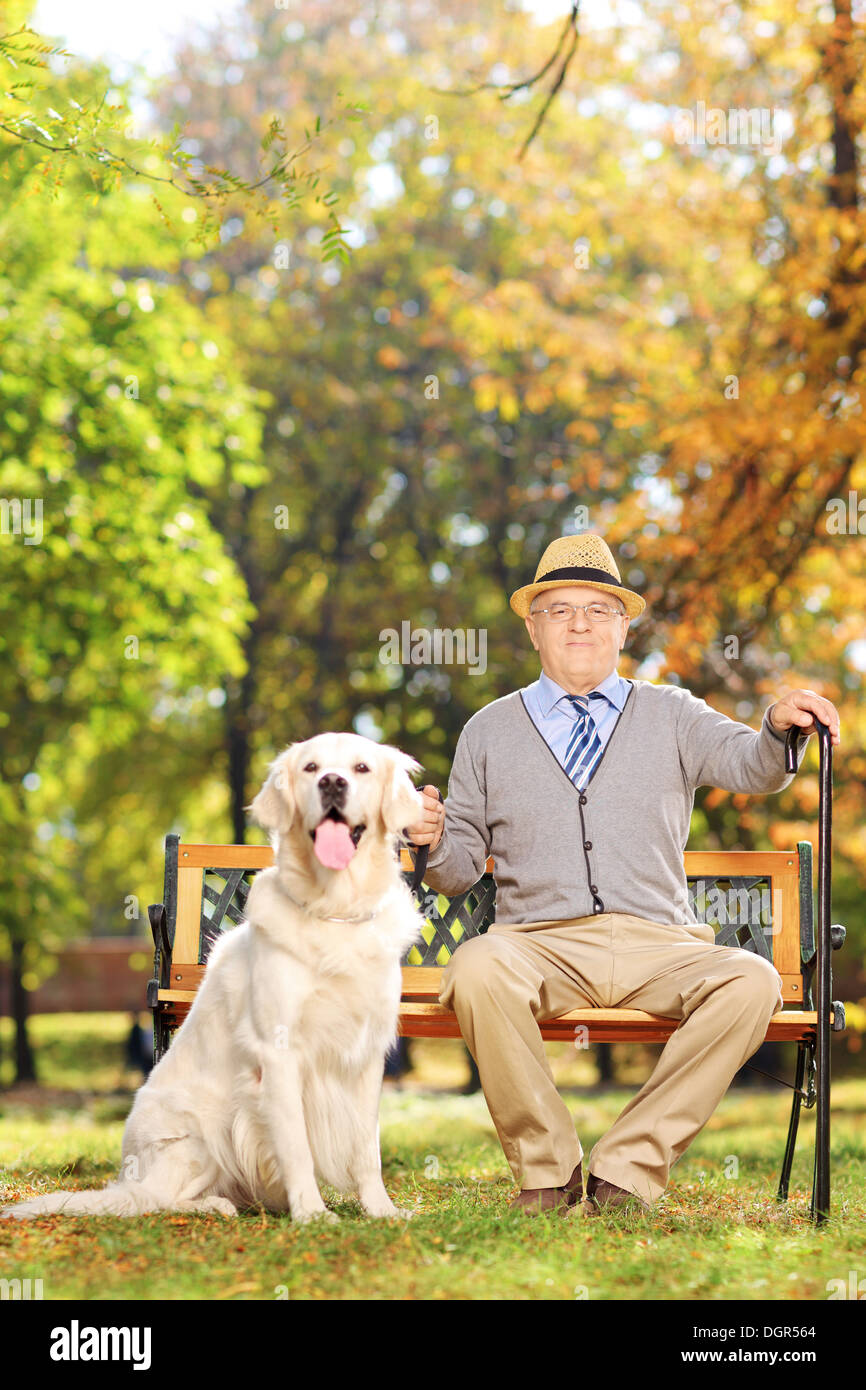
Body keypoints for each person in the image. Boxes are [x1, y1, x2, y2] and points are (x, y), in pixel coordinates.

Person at [406, 533, 841, 1217]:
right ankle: (547, 1173)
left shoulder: (673, 713)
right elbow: (457, 870)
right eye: (560, 609)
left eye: (598, 609)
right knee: (477, 966)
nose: (580, 622)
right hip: (538, 943)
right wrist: (427, 840)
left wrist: (778, 728)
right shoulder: (488, 731)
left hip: (661, 942)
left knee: (752, 979)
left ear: (623, 626)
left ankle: (625, 1171)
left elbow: (751, 765)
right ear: (533, 626)